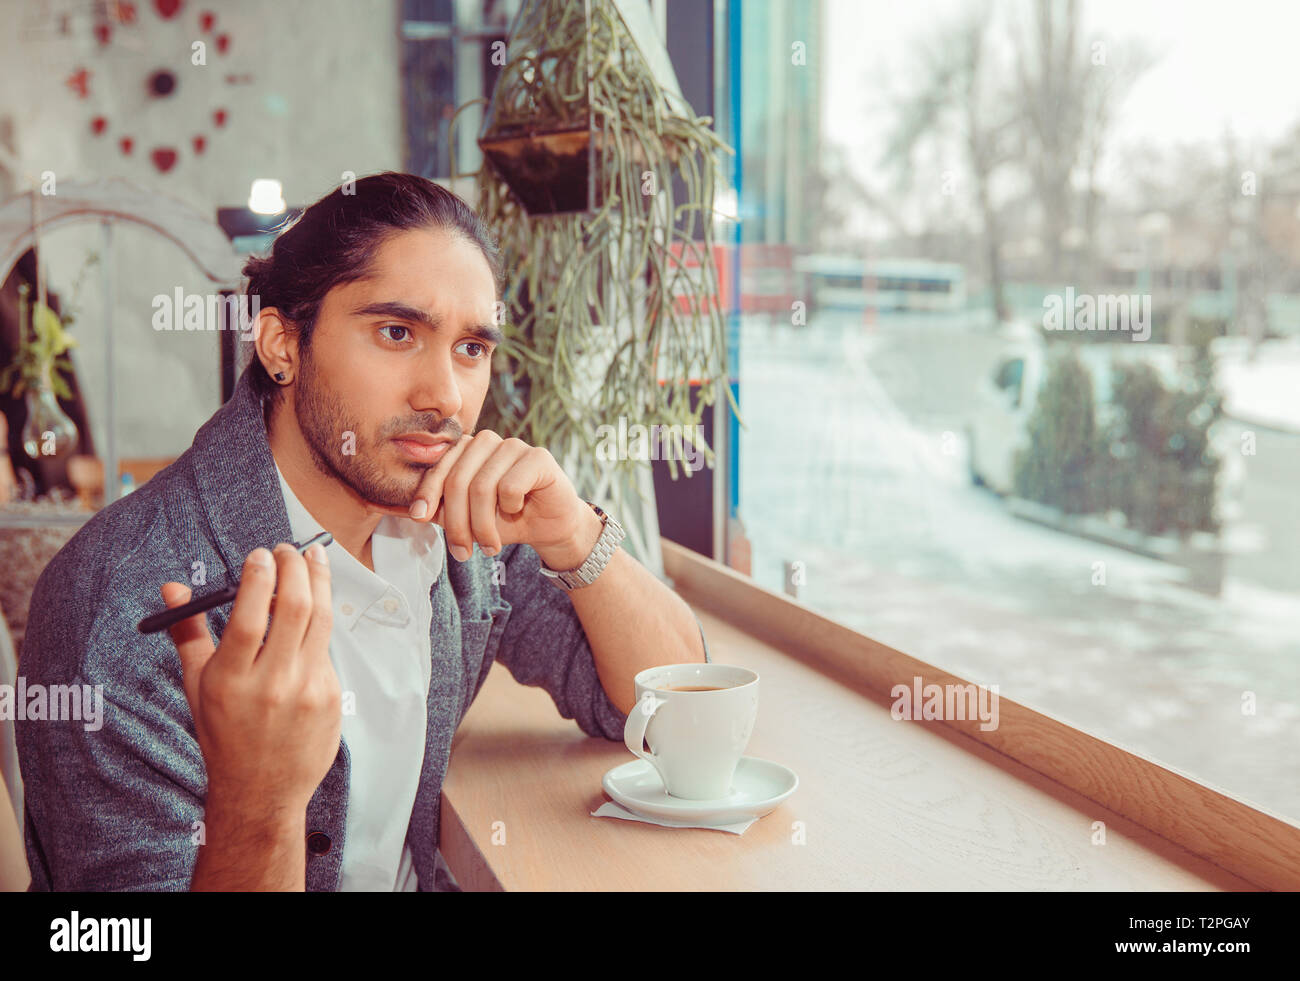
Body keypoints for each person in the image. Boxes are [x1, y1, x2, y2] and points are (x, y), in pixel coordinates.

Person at [16, 172, 709, 891]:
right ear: (282, 344)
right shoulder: (120, 606)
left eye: (471, 348)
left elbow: (674, 712)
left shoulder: (457, 528)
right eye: (397, 332)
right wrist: (259, 796)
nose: (444, 396)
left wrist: (573, 537)